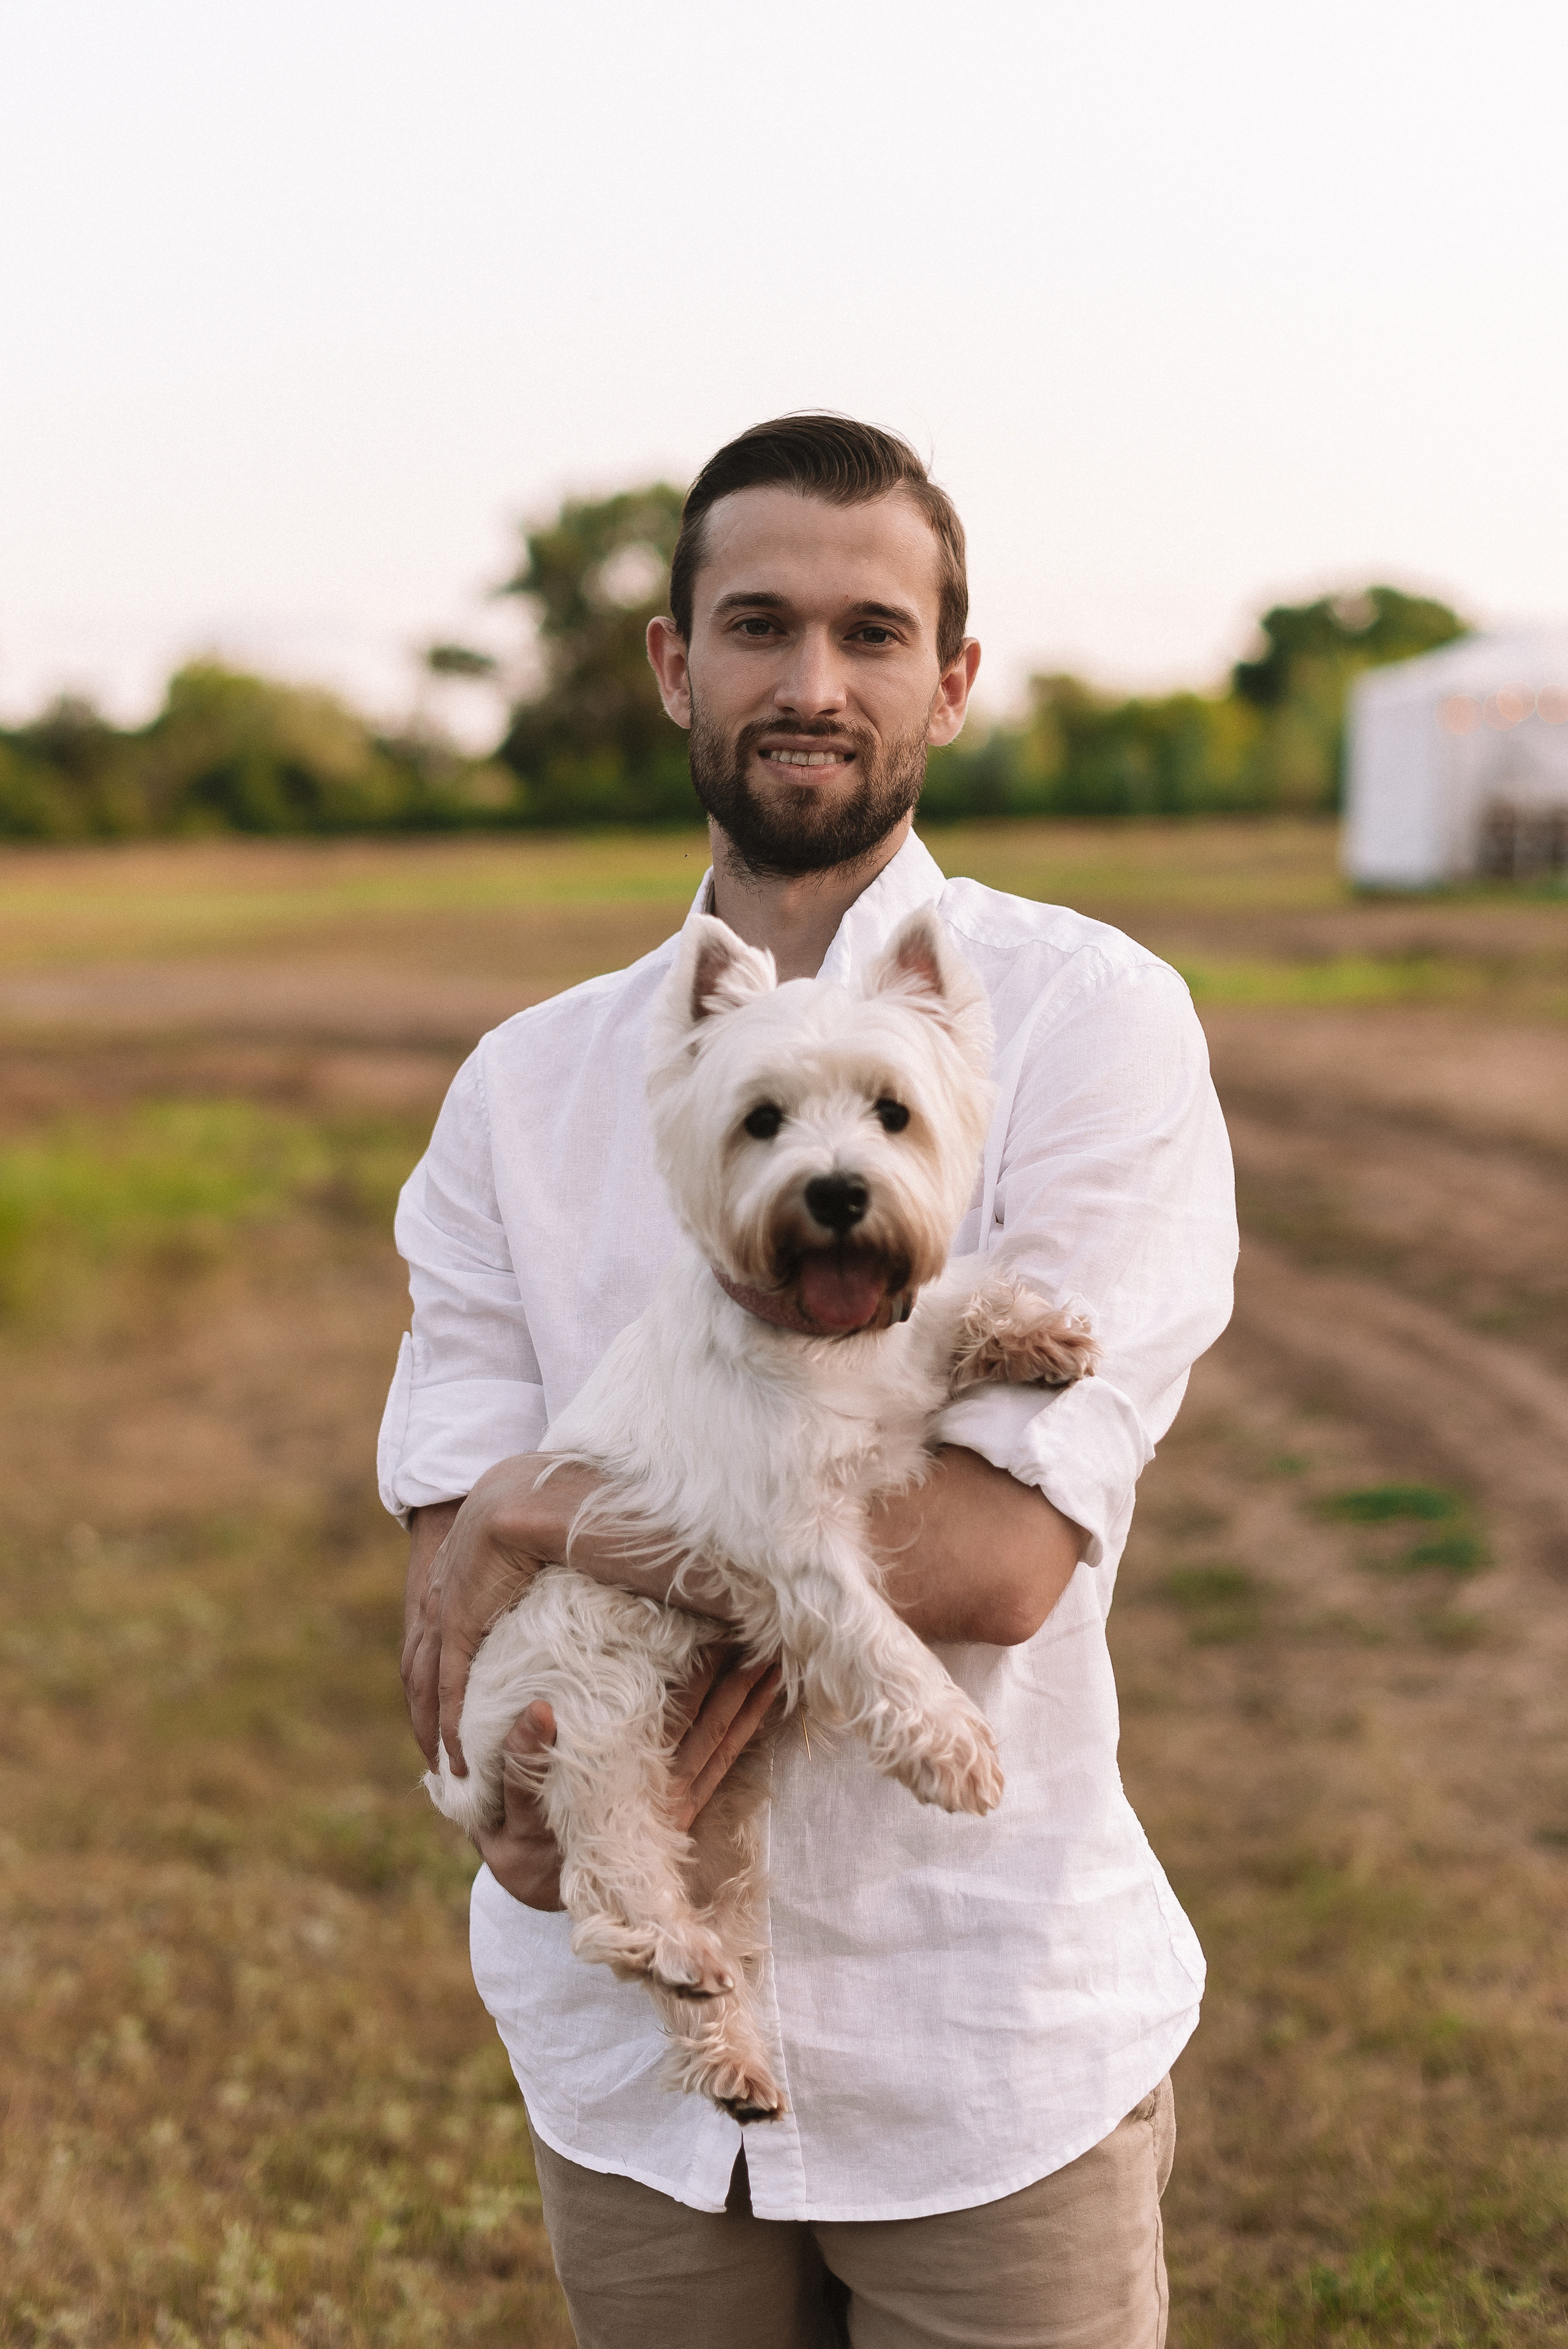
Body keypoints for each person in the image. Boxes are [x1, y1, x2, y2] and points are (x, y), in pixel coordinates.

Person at [385, 415, 1237, 2348]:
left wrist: (554, 1498)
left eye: (873, 630)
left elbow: (1002, 1554)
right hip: (627, 2075)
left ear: (952, 678)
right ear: (678, 664)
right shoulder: (521, 1091)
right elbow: (456, 1583)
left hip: (983, 2044)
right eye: (757, 624)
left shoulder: (1089, 1021)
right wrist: (516, 1780)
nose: (812, 681)